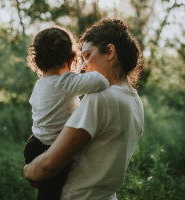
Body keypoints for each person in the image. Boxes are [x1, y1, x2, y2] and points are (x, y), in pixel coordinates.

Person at [23, 18, 144, 200]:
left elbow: (47, 166)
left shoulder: (100, 98)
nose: (84, 66)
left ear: (110, 52)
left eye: (87, 55)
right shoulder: (134, 100)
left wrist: (28, 170)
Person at [23, 26, 110, 200]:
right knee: (53, 195)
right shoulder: (65, 82)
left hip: (34, 144)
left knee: (45, 191)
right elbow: (101, 81)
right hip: (50, 148)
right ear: (71, 59)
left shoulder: (41, 84)